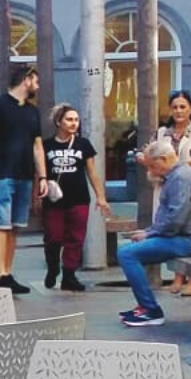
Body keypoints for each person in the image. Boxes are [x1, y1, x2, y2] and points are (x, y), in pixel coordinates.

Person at [0, 63, 50, 293]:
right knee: (2, 227)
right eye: (35, 81)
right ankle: (1, 275)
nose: (37, 86)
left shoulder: (31, 111)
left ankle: (8, 271)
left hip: (24, 175)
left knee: (15, 226)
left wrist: (43, 176)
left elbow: (37, 146)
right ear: (26, 80)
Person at [117, 139, 191, 327]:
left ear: (162, 159)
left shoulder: (180, 178)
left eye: (152, 166)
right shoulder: (177, 176)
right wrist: (149, 231)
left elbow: (175, 219)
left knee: (127, 253)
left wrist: (151, 234)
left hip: (188, 239)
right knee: (132, 249)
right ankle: (145, 306)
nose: (151, 171)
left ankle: (150, 309)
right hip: (183, 236)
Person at [41, 103, 107, 292]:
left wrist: (100, 196)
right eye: (69, 119)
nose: (73, 123)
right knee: (53, 237)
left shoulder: (83, 144)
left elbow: (92, 172)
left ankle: (69, 275)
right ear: (58, 122)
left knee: (75, 238)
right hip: (54, 201)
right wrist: (37, 197)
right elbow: (40, 173)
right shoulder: (47, 145)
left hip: (79, 198)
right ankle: (52, 267)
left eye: (76, 120)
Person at [155, 89, 191, 297]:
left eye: (183, 106)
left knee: (190, 228)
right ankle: (177, 277)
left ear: (190, 108)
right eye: (175, 107)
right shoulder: (162, 133)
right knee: (172, 225)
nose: (179, 111)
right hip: (166, 185)